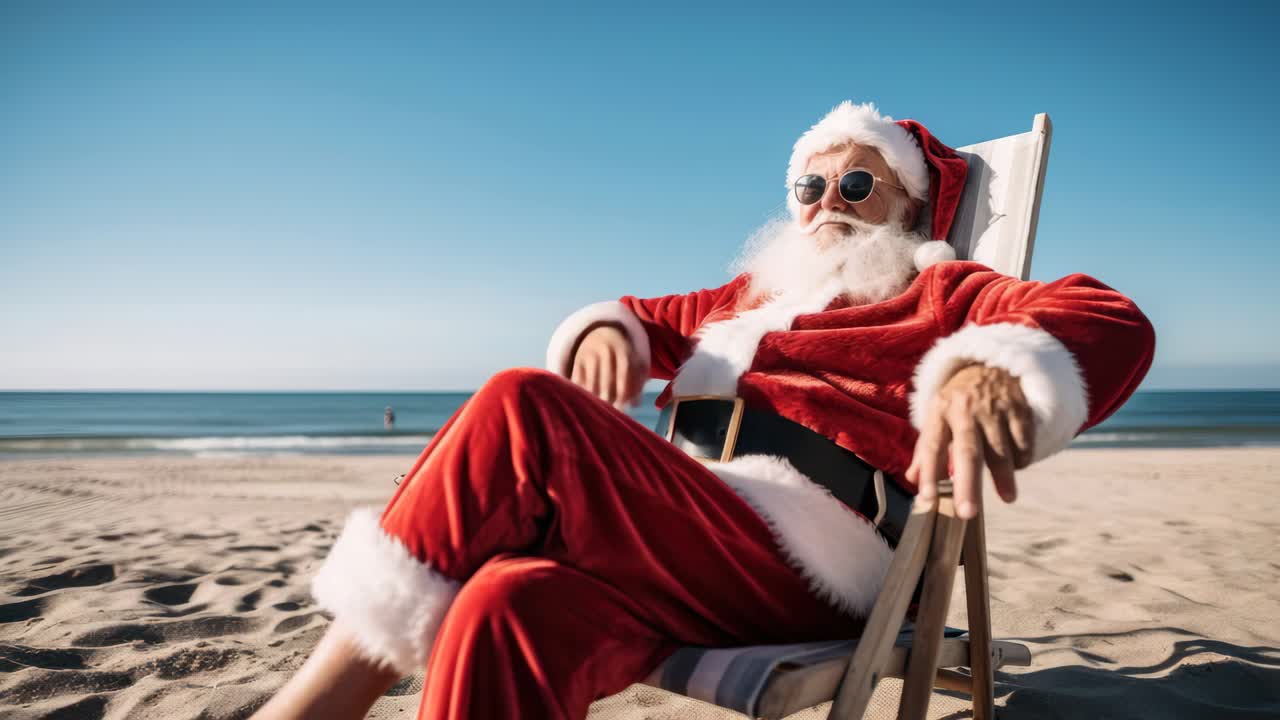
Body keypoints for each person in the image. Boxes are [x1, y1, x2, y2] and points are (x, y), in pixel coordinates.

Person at [253, 102, 1154, 720]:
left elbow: (1105, 317)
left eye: (857, 185)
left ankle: (314, 704)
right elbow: (640, 317)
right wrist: (607, 334)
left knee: (524, 407)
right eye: (811, 186)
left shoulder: (937, 289)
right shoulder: (741, 302)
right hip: (689, 540)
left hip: (821, 556)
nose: (827, 204)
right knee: (507, 602)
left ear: (910, 209)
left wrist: (992, 367)